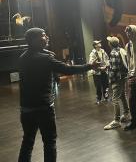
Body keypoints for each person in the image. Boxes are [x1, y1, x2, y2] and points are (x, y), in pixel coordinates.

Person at [18, 28, 98, 162]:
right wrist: (89, 66)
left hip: (26, 109)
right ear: (34, 40)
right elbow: (67, 69)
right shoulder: (45, 58)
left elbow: (35, 55)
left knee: (27, 143)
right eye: (43, 35)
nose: (47, 37)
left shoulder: (22, 58)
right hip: (43, 108)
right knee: (49, 142)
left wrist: (47, 53)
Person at [103, 36, 131, 130]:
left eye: (109, 42)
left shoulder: (113, 52)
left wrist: (111, 80)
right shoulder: (121, 50)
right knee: (122, 95)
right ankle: (126, 113)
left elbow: (114, 69)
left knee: (115, 99)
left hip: (117, 79)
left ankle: (116, 121)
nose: (108, 43)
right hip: (123, 77)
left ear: (111, 44)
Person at [89, 40, 110, 104]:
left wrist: (106, 66)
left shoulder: (103, 51)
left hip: (104, 71)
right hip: (97, 73)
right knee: (98, 86)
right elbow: (91, 63)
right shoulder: (92, 53)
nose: (100, 43)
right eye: (98, 43)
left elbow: (107, 59)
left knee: (106, 85)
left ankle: (106, 97)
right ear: (95, 45)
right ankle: (99, 99)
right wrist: (100, 68)